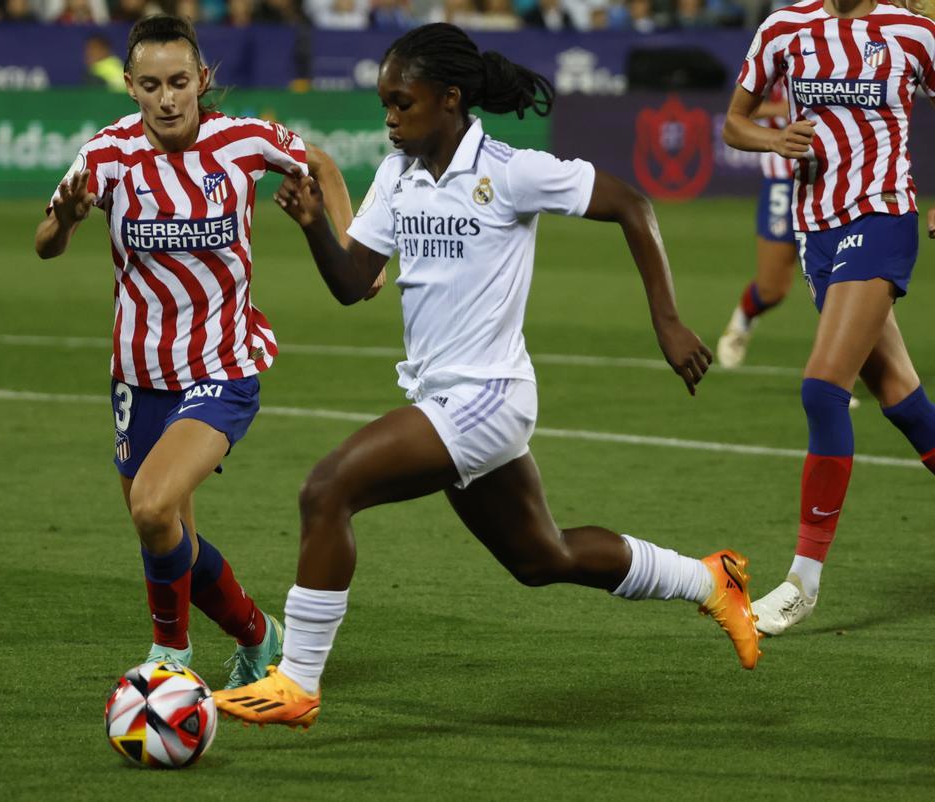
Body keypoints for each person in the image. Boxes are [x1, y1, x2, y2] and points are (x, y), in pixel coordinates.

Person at [214, 22, 762, 730]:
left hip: (489, 399)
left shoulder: (509, 170)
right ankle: (712, 578)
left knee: (328, 489)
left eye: (401, 103)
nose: (388, 118)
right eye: (384, 103)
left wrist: (666, 319)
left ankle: (298, 681)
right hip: (444, 401)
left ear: (449, 100)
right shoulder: (395, 177)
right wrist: (318, 226)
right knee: (542, 557)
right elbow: (354, 283)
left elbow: (632, 203)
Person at [34, 15, 367, 688]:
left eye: (179, 82)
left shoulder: (242, 141)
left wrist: (354, 244)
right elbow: (45, 240)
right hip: (138, 373)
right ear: (130, 85)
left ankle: (169, 657)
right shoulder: (106, 154)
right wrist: (65, 220)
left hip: (223, 364)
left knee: (153, 509)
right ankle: (256, 633)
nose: (166, 98)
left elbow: (322, 163)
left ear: (202, 80)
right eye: (151, 84)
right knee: (165, 533)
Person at [723, 0, 935, 635]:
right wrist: (771, 137)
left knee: (822, 389)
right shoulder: (785, 27)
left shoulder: (912, 31)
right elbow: (734, 123)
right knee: (901, 396)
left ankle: (802, 583)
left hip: (883, 218)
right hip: (817, 231)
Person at [716, 76, 796, 369]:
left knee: (845, 282)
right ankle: (742, 322)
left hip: (837, 180)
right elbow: (738, 113)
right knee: (771, 289)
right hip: (783, 182)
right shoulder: (776, 48)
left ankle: (840, 378)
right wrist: (780, 109)